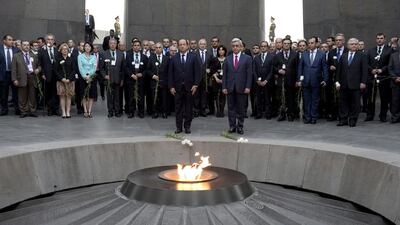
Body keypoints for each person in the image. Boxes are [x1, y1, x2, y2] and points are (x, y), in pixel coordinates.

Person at [168, 39, 200, 134]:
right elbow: (170, 74)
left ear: (187, 46)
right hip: (177, 88)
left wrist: (195, 85)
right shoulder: (174, 57)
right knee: (178, 109)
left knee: (188, 108)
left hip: (190, 88)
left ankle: (187, 127)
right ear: (178, 46)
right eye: (180, 44)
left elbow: (197, 72)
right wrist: (171, 86)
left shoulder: (193, 57)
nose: (182, 46)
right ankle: (179, 127)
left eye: (184, 44)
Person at [222, 38, 253, 135]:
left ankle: (240, 126)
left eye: (237, 46)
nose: (235, 48)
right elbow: (225, 75)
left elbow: (249, 74)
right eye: (233, 46)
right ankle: (232, 126)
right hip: (230, 88)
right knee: (230, 108)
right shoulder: (227, 59)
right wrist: (224, 87)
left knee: (241, 109)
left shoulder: (247, 58)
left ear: (241, 47)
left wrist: (248, 87)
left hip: (242, 88)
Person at [335, 38, 367, 127]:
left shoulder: (362, 56)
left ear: (357, 45)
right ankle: (343, 119)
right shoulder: (343, 56)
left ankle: (353, 119)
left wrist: (363, 82)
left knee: (355, 104)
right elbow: (339, 70)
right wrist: (337, 82)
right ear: (348, 46)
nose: (354, 45)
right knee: (343, 103)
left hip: (356, 84)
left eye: (355, 44)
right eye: (352, 44)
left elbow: (364, 70)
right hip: (344, 84)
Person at [297, 37, 329, 124]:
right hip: (305, 81)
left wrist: (325, 79)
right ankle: (307, 117)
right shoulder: (304, 54)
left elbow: (325, 68)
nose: (310, 44)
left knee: (315, 100)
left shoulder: (321, 54)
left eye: (312, 43)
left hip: (317, 81)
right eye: (309, 43)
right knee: (306, 100)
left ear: (316, 44)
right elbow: (300, 68)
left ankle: (314, 117)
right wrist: (299, 80)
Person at [365, 33, 394, 122]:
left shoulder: (389, 50)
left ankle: (383, 115)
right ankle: (370, 115)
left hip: (383, 77)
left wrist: (382, 70)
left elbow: (390, 63)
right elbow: (366, 63)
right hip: (371, 77)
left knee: (384, 97)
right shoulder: (371, 50)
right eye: (378, 38)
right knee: (370, 97)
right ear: (376, 39)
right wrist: (371, 70)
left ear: (384, 39)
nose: (379, 40)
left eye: (381, 38)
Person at [11, 40, 40, 118]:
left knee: (32, 95)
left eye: (27, 45)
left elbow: (39, 66)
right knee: (22, 96)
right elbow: (13, 69)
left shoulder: (33, 55)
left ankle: (32, 111)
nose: (26, 46)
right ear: (21, 46)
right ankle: (23, 111)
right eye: (24, 45)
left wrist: (38, 70)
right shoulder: (16, 56)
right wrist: (14, 79)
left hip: (32, 77)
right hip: (21, 78)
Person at [273, 38, 299, 121]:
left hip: (292, 80)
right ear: (282, 44)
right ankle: (282, 114)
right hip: (281, 81)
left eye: (288, 43)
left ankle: (291, 114)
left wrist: (297, 80)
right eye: (285, 43)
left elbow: (298, 68)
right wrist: (278, 70)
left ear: (290, 44)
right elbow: (273, 67)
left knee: (291, 98)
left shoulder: (295, 54)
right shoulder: (277, 55)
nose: (286, 45)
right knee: (281, 98)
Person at [325, 33, 348, 121]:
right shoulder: (331, 52)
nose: (338, 42)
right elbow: (327, 65)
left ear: (343, 41)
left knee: (343, 98)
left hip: (345, 78)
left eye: (340, 40)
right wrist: (330, 67)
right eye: (337, 40)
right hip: (334, 78)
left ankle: (343, 115)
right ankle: (334, 115)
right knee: (334, 97)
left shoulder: (347, 51)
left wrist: (337, 67)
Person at [101, 39, 125, 117]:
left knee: (117, 97)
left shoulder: (121, 54)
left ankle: (117, 111)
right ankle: (110, 111)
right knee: (109, 96)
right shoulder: (104, 53)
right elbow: (101, 68)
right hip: (108, 79)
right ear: (108, 44)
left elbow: (122, 68)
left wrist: (122, 79)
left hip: (118, 79)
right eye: (111, 43)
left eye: (114, 43)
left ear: (116, 44)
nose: (112, 45)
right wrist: (104, 75)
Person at [125, 39, 148, 118]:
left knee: (141, 96)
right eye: (135, 45)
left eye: (138, 45)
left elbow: (147, 69)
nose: (136, 47)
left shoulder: (144, 57)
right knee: (131, 96)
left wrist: (142, 74)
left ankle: (141, 112)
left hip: (141, 80)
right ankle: (131, 112)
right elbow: (126, 67)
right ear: (132, 46)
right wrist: (131, 75)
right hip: (131, 79)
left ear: (140, 47)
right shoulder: (128, 56)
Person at [38, 33, 59, 116]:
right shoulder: (41, 50)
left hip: (56, 75)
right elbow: (40, 63)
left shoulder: (57, 50)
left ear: (54, 41)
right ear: (46, 41)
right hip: (46, 75)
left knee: (56, 92)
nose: (50, 41)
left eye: (52, 39)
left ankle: (56, 109)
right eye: (48, 39)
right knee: (48, 92)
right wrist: (42, 73)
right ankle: (49, 109)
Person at [148, 42, 170, 118]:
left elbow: (169, 71)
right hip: (154, 82)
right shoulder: (151, 58)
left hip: (164, 83)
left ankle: (164, 112)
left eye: (159, 47)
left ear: (162, 48)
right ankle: (155, 112)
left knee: (164, 98)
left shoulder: (166, 58)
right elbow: (148, 70)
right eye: (156, 48)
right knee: (155, 98)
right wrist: (153, 75)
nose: (158, 49)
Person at [253, 41, 273, 119]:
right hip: (258, 82)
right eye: (262, 46)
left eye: (265, 46)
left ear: (267, 47)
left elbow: (271, 70)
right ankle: (259, 113)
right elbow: (254, 70)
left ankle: (268, 114)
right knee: (258, 98)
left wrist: (266, 80)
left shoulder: (271, 57)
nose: (263, 47)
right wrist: (257, 80)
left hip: (267, 82)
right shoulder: (256, 58)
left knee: (268, 98)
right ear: (260, 48)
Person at [55, 43, 76, 118]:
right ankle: (63, 112)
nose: (65, 50)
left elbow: (74, 70)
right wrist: (62, 78)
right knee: (62, 97)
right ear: (60, 50)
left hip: (70, 81)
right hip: (61, 81)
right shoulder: (58, 59)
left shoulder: (71, 59)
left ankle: (68, 112)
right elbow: (55, 70)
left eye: (66, 49)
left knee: (69, 97)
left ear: (68, 50)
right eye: (63, 49)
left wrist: (69, 79)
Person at [0, 34, 20, 116]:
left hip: (14, 74)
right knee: (3, 94)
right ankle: (4, 109)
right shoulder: (0, 49)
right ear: (4, 41)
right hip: (3, 74)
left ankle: (17, 109)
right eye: (9, 39)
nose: (11, 41)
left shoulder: (16, 50)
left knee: (16, 93)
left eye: (12, 39)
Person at [77, 42, 97, 118]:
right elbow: (80, 67)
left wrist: (90, 76)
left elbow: (94, 68)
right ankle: (85, 111)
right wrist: (85, 76)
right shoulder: (80, 57)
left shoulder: (94, 57)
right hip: (83, 78)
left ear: (91, 48)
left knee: (91, 95)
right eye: (86, 46)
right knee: (84, 95)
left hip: (92, 78)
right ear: (84, 48)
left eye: (89, 46)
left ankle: (89, 111)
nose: (87, 47)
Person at [194, 38, 212, 117]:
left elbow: (211, 65)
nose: (202, 45)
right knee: (196, 95)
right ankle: (196, 110)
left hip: (205, 78)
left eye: (204, 44)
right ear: (198, 45)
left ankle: (203, 110)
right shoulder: (194, 54)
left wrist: (210, 70)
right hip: (196, 78)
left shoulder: (209, 54)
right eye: (201, 44)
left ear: (206, 45)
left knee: (204, 95)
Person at [209, 45, 227, 117]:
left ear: (225, 51)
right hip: (216, 80)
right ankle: (218, 112)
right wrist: (216, 78)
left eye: (222, 50)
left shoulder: (227, 59)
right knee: (216, 96)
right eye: (219, 50)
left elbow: (229, 71)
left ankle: (222, 111)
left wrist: (223, 79)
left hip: (224, 80)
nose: (221, 51)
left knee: (223, 95)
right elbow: (211, 70)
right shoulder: (214, 59)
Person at [388, 49, 400, 123]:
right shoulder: (393, 55)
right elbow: (390, 68)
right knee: (395, 101)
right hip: (396, 82)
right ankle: (395, 117)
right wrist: (395, 78)